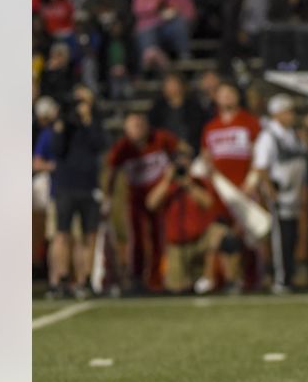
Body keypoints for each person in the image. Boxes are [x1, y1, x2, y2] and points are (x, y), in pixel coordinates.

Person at [104, 112, 182, 291]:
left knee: (160, 236)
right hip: (137, 199)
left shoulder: (161, 138)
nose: (137, 129)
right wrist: (107, 196)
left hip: (162, 196)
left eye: (140, 124)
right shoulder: (123, 147)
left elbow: (181, 151)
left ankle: (158, 278)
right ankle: (137, 277)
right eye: (133, 126)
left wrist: (176, 167)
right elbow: (111, 172)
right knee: (137, 238)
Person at [198, 81, 261, 294]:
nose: (225, 97)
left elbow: (257, 155)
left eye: (230, 92)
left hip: (242, 189)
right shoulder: (210, 126)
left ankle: (241, 278)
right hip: (220, 191)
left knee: (240, 236)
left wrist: (251, 183)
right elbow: (206, 156)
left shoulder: (249, 122)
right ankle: (214, 277)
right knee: (219, 234)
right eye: (221, 93)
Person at [48, 85, 109, 299]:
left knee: (88, 235)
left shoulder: (94, 121)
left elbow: (99, 144)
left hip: (88, 186)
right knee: (62, 234)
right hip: (66, 185)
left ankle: (85, 280)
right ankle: (59, 280)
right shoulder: (65, 123)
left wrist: (88, 119)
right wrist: (60, 124)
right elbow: (56, 149)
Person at [248, 94, 307, 293]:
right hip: (279, 195)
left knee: (291, 237)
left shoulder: (291, 134)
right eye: (288, 111)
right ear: (277, 113)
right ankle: (280, 280)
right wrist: (271, 192)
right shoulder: (268, 136)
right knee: (280, 239)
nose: (292, 115)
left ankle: (288, 277)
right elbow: (261, 167)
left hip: (293, 195)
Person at [145, 154, 215, 294]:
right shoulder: (166, 185)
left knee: (219, 233)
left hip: (199, 241)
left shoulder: (197, 182)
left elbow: (208, 203)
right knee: (177, 289)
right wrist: (167, 180)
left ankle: (210, 279)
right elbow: (151, 204)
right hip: (176, 245)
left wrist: (189, 185)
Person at [149, 72, 209, 154]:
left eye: (174, 84)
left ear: (182, 85)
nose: (171, 87)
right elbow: (154, 131)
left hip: (191, 149)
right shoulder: (157, 109)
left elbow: (199, 131)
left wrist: (190, 149)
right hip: (165, 151)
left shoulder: (194, 107)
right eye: (168, 84)